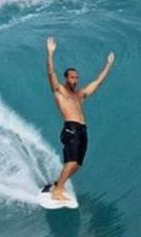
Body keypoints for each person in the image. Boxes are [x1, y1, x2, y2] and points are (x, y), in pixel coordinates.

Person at [44, 36, 115, 203]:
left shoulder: (79, 95)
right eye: (72, 77)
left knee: (77, 165)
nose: (75, 80)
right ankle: (58, 191)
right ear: (66, 78)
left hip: (83, 130)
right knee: (71, 161)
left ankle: (56, 184)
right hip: (71, 128)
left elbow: (98, 82)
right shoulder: (59, 90)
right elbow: (50, 72)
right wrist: (50, 53)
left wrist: (108, 65)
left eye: (76, 77)